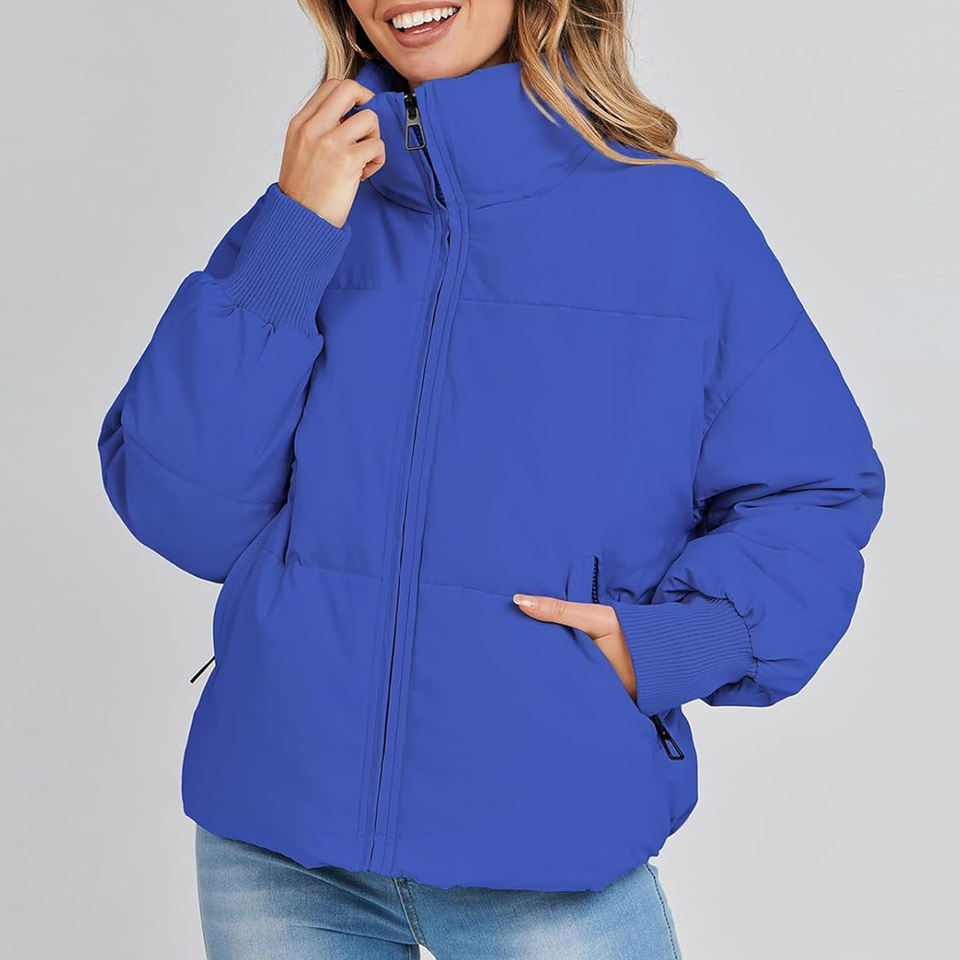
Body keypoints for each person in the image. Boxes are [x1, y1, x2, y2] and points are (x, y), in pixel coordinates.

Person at [96, 1, 886, 957]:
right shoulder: (314, 218)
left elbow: (810, 488)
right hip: (278, 840)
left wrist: (677, 642)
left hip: (544, 838)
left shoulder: (680, 226)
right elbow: (185, 509)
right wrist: (294, 231)